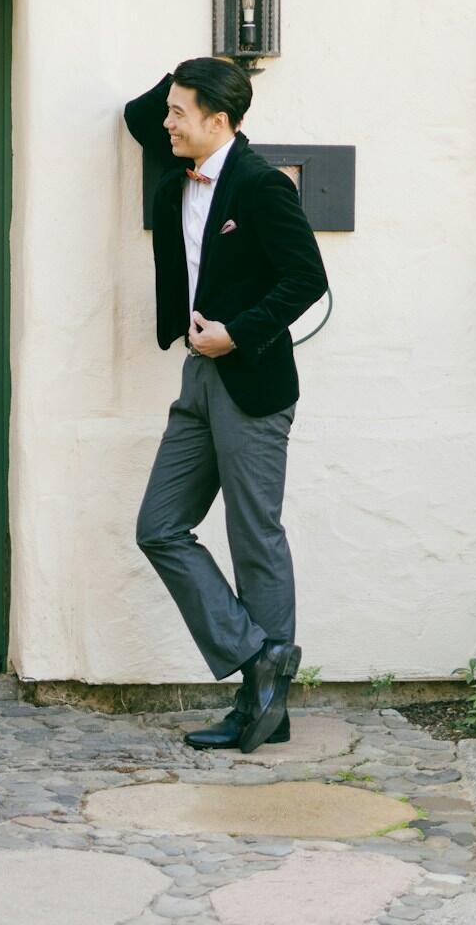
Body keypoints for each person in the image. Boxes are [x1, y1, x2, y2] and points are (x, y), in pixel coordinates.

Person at [123, 58, 328, 753]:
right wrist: (189, 71)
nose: (166, 122)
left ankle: (261, 710)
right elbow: (137, 112)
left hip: (252, 380)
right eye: (171, 109)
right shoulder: (173, 162)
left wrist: (236, 334)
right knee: (159, 526)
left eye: (181, 112)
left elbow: (308, 279)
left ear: (219, 121)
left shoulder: (261, 185)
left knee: (254, 537)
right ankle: (260, 659)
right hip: (196, 380)